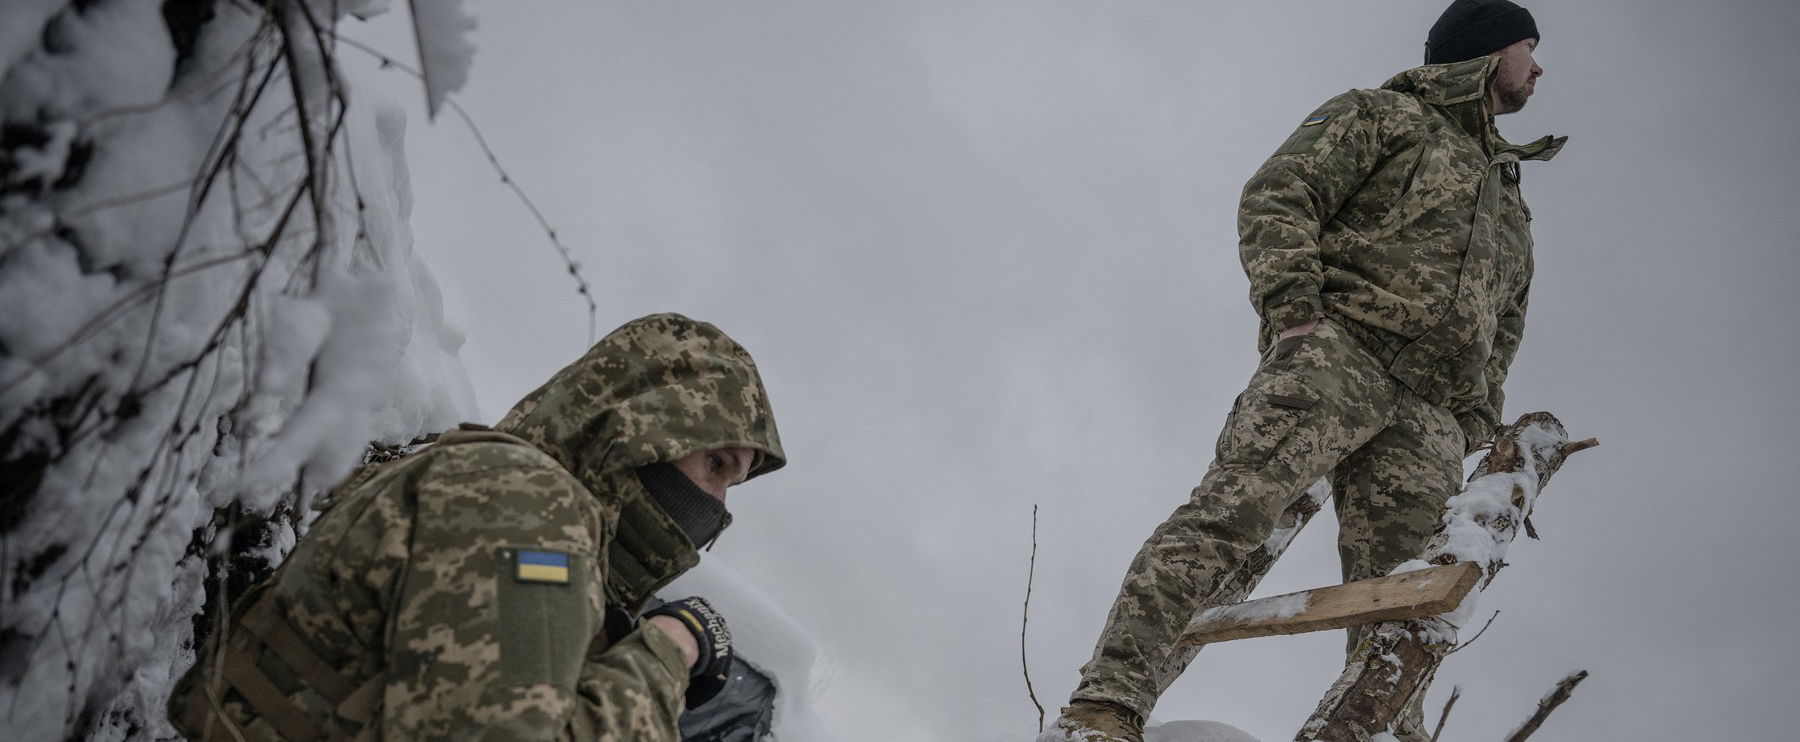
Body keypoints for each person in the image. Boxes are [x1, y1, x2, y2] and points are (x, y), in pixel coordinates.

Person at [1043, 2, 1563, 740]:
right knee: (1230, 517)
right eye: (1527, 48)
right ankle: (1107, 705)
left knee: (1407, 601)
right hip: (1339, 355)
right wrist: (1295, 312)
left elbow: (1507, 319)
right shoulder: (1383, 115)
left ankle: (1376, 731)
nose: (1538, 67)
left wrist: (1472, 417)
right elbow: (1280, 192)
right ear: (1483, 52)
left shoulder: (1508, 193)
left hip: (1428, 415)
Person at [168, 313, 786, 741]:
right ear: (641, 426)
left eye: (733, 482)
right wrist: (669, 650)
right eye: (715, 464)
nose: (717, 504)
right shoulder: (523, 502)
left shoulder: (513, 499)